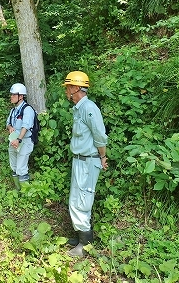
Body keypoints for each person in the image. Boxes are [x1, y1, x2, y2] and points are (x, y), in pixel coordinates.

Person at [62, 71, 108, 257]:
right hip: (79, 161)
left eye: (67, 88)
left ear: (75, 88)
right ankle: (80, 235)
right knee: (76, 199)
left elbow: (100, 136)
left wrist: (102, 157)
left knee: (82, 200)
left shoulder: (89, 108)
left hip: (89, 161)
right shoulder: (79, 109)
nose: (66, 92)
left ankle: (85, 244)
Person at [6, 83, 35, 191]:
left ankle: (25, 194)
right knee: (13, 166)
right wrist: (10, 128)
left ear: (21, 96)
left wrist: (19, 139)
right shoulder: (13, 110)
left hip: (24, 141)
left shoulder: (27, 110)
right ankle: (18, 189)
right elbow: (8, 123)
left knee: (21, 168)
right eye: (11, 94)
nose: (11, 97)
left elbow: (26, 126)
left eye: (14, 95)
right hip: (13, 140)